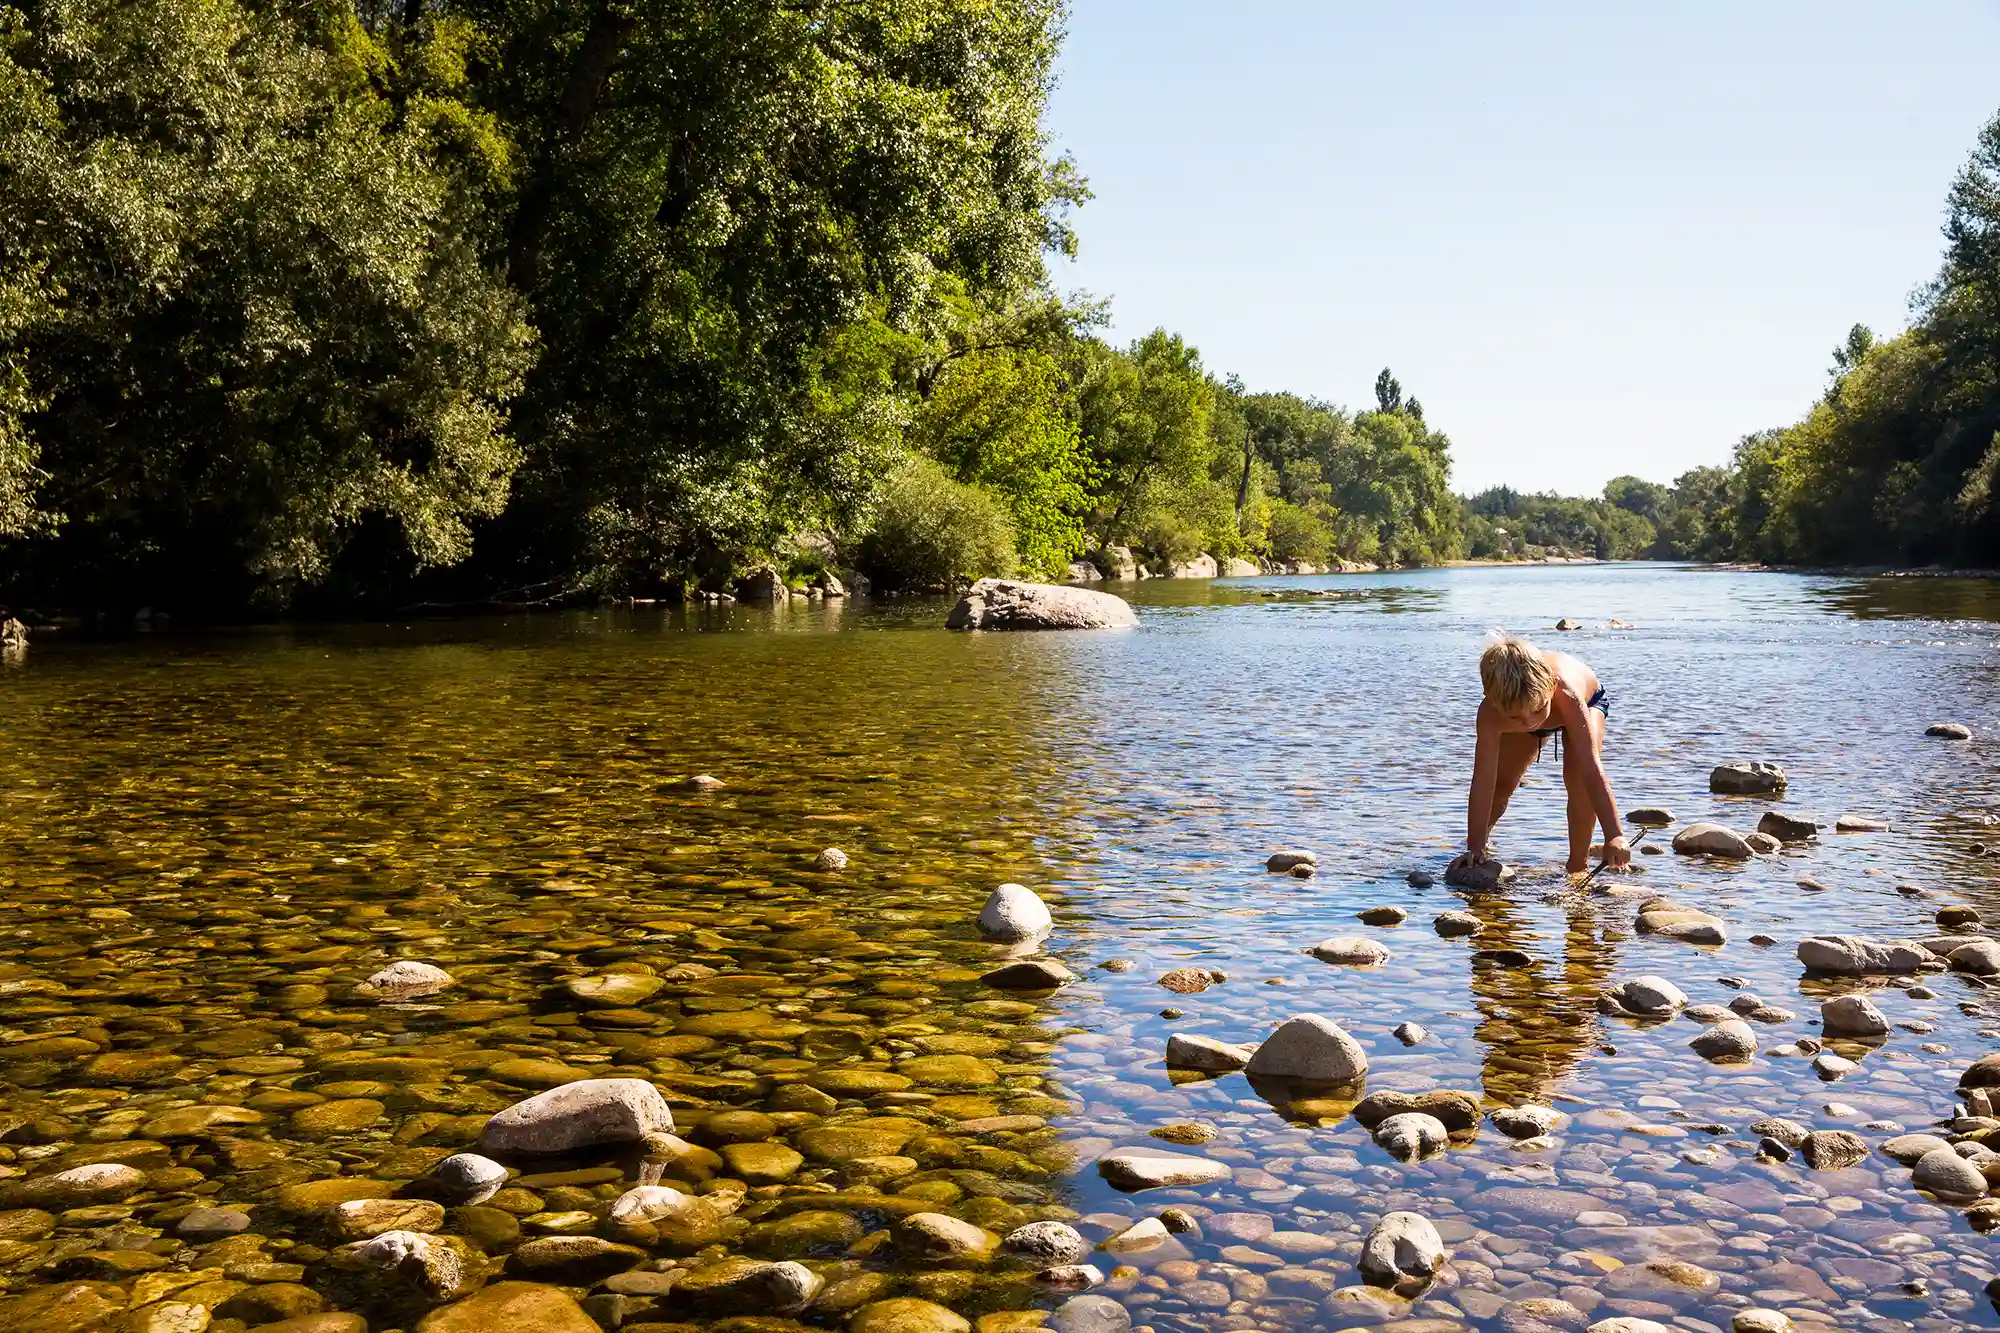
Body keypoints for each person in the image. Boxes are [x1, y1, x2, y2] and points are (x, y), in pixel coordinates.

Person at [1450, 631, 1630, 877]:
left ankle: (1577, 866)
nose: (1528, 724)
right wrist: (1474, 846)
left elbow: (1591, 768)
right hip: (1534, 704)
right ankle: (1480, 847)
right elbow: (1483, 780)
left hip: (1586, 703)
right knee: (1502, 785)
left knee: (1578, 780)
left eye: (1536, 711)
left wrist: (1615, 834)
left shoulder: (1565, 693)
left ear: (1550, 688)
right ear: (1491, 699)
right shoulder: (1491, 714)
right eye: (1515, 717)